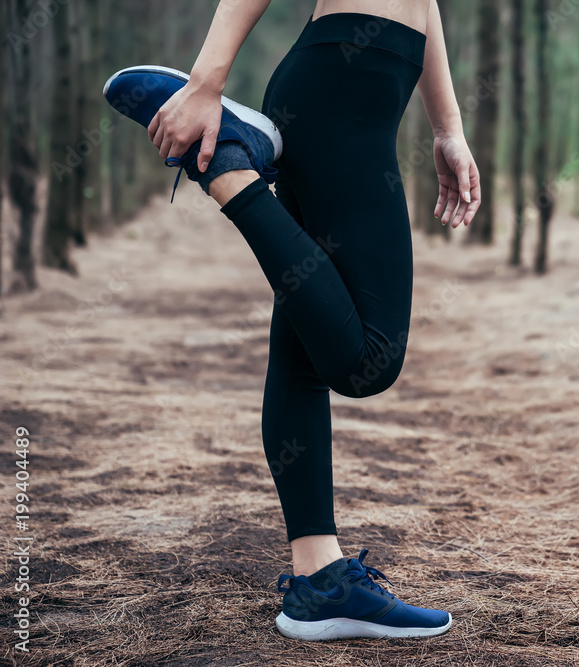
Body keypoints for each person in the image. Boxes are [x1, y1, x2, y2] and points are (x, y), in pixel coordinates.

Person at [103, 0, 480, 641]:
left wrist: (447, 125)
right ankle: (226, 167)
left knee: (303, 357)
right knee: (368, 361)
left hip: (349, 82)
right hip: (347, 91)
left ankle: (318, 581)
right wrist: (205, 84)